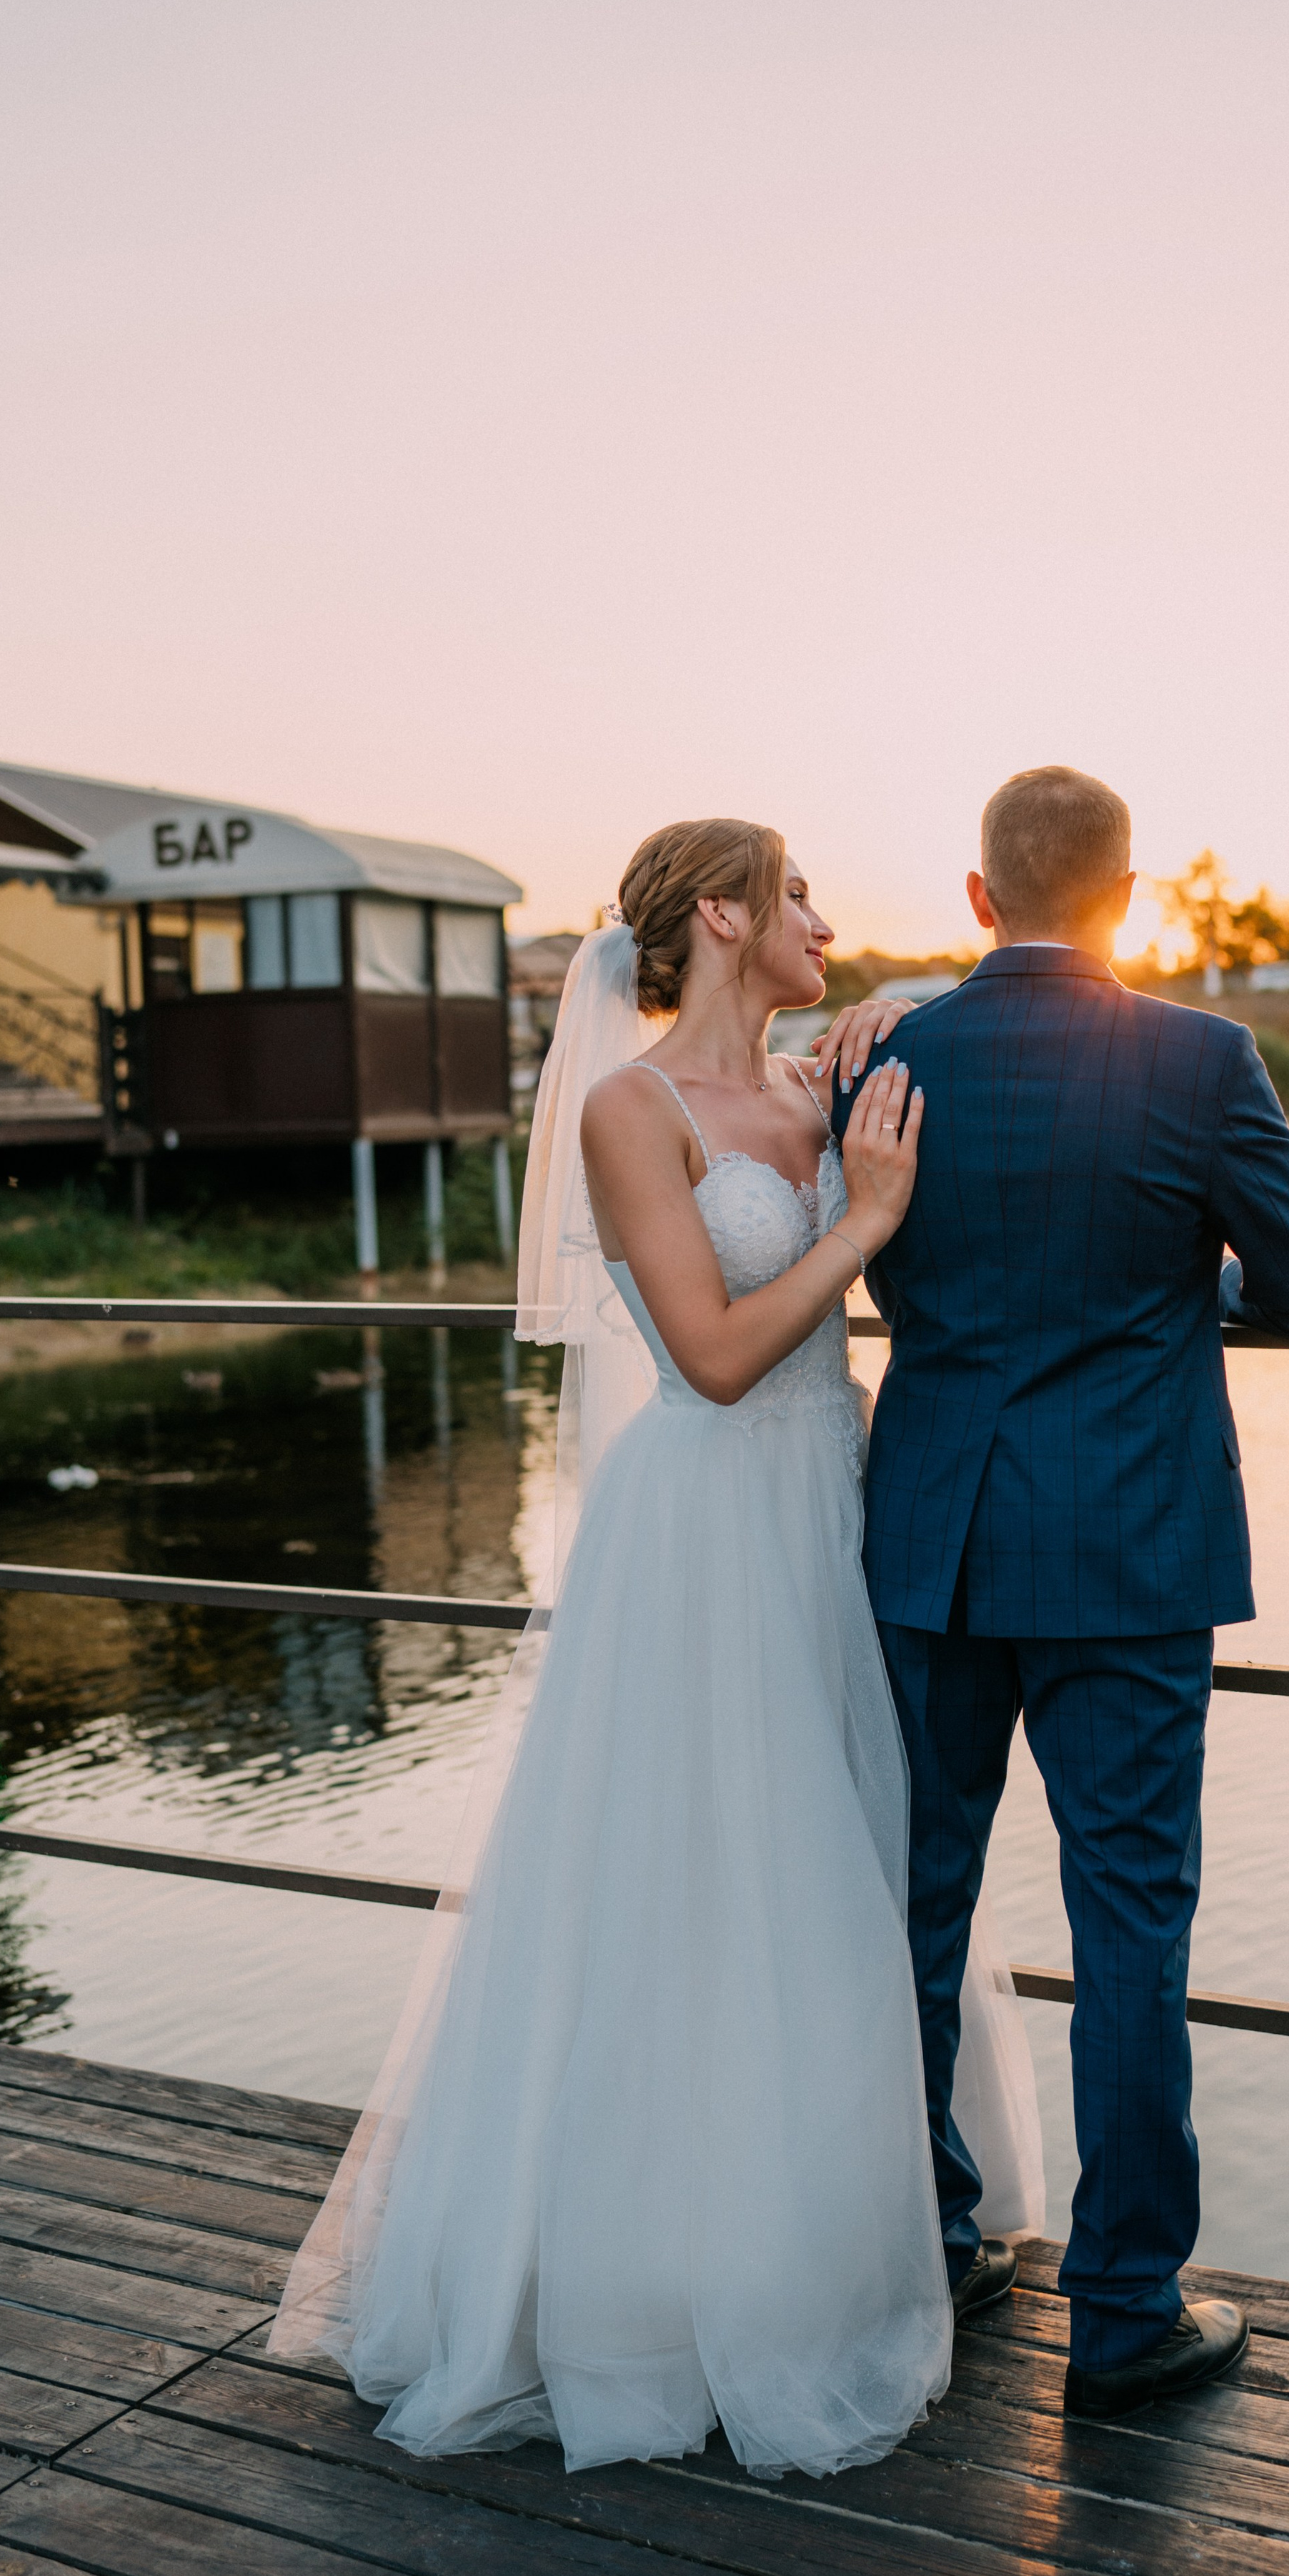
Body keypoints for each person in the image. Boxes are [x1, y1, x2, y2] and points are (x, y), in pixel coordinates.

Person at [269, 817, 1042, 2479]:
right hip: (701, 1531)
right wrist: (865, 1216)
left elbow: (943, 1007)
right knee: (693, 1878)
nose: (827, 921)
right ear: (721, 915)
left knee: (839, 1862)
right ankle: (650, 2275)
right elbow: (704, 1352)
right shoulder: (633, 1110)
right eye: (802, 897)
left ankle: (828, 2230)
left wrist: (881, 1025)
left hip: (830, 1509)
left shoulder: (815, 1084)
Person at [828, 764, 1289, 2421]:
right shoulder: (1200, 1061)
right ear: (1125, 896)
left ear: (976, 899)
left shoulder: (885, 1051)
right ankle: (1122, 2306)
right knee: (1131, 1922)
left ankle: (928, 2234)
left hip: (930, 1539)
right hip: (1126, 1551)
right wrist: (1175, 1283)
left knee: (908, 1907)